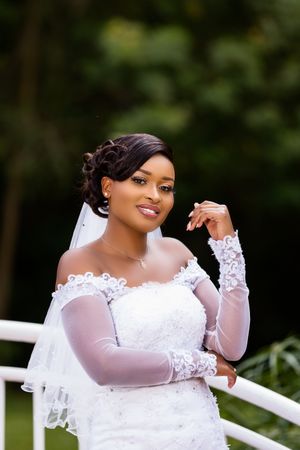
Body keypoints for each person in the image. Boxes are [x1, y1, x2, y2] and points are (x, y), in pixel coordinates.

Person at [22, 133, 250, 449]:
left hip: (201, 433)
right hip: (129, 437)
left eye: (166, 187)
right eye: (140, 181)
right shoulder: (80, 263)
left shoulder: (176, 252)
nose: (155, 195)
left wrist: (228, 249)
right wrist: (203, 364)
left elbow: (231, 346)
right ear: (108, 187)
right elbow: (105, 365)